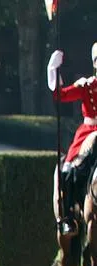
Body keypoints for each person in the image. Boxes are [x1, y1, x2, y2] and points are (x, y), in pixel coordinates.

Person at [47, 44, 97, 237]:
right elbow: (61, 95)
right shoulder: (87, 85)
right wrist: (53, 70)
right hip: (89, 130)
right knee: (67, 169)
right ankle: (68, 217)